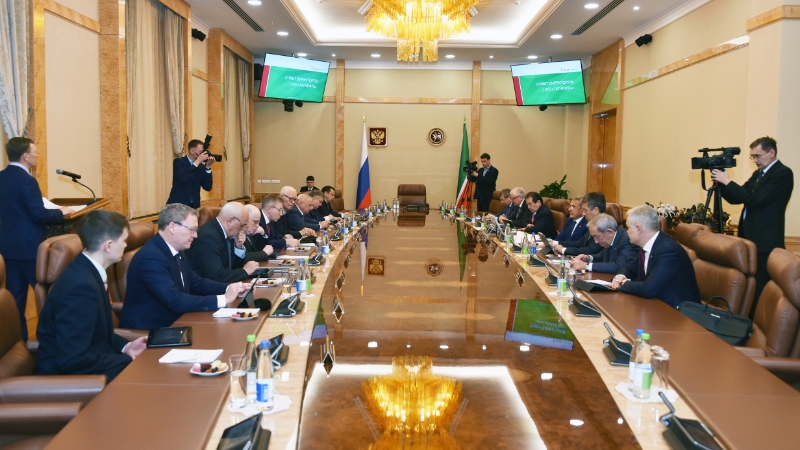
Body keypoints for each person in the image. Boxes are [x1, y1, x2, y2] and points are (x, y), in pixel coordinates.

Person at [35, 210, 146, 381]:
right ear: (108, 245)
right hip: (67, 380)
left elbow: (98, 335)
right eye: (123, 240)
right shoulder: (81, 288)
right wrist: (127, 361)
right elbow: (72, 359)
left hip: (91, 365)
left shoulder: (87, 270)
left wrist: (127, 347)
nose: (125, 245)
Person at [121, 204, 249, 330]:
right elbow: (175, 300)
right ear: (172, 227)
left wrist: (230, 288)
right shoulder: (151, 257)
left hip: (179, 321)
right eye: (191, 229)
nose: (195, 235)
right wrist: (223, 299)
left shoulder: (177, 251)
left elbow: (196, 283)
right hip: (153, 331)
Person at [0, 137, 74, 340]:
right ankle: (52, 339)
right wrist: (61, 213)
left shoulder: (2, 177)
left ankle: (18, 342)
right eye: (35, 152)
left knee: (15, 300)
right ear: (25, 156)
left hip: (8, 248)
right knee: (47, 294)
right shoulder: (27, 181)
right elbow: (38, 214)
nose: (37, 156)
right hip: (31, 248)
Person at [712, 136, 794, 317]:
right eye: (752, 157)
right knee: (749, 286)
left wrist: (728, 182)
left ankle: (756, 324)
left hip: (765, 242)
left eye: (758, 156)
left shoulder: (782, 173)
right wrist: (721, 184)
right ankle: (745, 320)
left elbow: (755, 200)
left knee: (760, 288)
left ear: (771, 153)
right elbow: (738, 197)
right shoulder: (758, 174)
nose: (755, 160)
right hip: (749, 238)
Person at [611, 205, 700, 309]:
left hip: (677, 312)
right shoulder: (648, 247)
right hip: (654, 304)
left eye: (628, 227)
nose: (627, 231)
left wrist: (623, 283)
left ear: (639, 228)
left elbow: (649, 289)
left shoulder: (667, 250)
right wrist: (619, 276)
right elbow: (629, 269)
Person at [185, 202, 260, 283]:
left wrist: (238, 247)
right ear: (230, 221)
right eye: (242, 225)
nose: (243, 229)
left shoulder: (228, 232)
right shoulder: (208, 236)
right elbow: (217, 275)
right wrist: (245, 271)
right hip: (205, 288)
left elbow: (232, 268)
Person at [570, 214, 638, 274]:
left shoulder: (627, 239)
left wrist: (586, 266)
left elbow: (619, 266)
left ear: (610, 232)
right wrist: (588, 258)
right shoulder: (609, 239)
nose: (596, 242)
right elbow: (603, 255)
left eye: (597, 237)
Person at [552, 192, 605, 256]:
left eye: (585, 210)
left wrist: (564, 250)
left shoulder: (603, 225)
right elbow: (580, 243)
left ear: (596, 210)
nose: (583, 214)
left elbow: (591, 250)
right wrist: (555, 243)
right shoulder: (594, 223)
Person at [166, 139, 215, 208]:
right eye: (200, 152)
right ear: (192, 151)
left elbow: (207, 187)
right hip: (178, 205)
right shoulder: (179, 162)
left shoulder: (201, 167)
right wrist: (197, 162)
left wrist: (207, 167)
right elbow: (184, 178)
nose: (202, 155)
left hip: (194, 206)